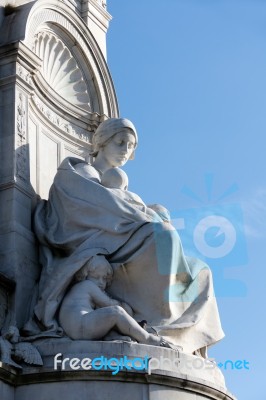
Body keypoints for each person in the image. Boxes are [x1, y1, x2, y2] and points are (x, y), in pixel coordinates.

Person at [29, 118, 224, 354]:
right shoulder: (82, 172)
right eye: (120, 143)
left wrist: (149, 210)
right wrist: (144, 214)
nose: (125, 151)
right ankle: (152, 324)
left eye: (130, 146)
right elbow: (98, 207)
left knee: (201, 270)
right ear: (102, 142)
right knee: (164, 234)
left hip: (122, 235)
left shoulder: (115, 181)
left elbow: (118, 205)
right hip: (97, 239)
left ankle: (170, 331)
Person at [59, 255, 170, 347]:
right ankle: (147, 338)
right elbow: (110, 304)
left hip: (77, 328)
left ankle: (113, 336)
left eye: (104, 278)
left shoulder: (81, 289)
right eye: (96, 277)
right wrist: (126, 308)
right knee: (117, 312)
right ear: (85, 274)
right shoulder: (87, 285)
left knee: (108, 314)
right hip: (80, 325)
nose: (101, 282)